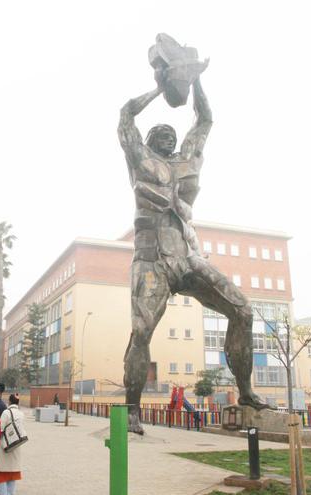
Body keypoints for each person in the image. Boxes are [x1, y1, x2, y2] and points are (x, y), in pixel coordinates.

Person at [118, 74, 269, 434]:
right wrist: (161, 86)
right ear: (150, 141)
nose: (168, 135)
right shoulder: (140, 160)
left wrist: (195, 80)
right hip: (151, 258)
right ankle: (132, 410)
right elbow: (125, 116)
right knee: (141, 331)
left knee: (242, 310)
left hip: (186, 257)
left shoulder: (187, 163)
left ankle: (246, 391)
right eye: (160, 132)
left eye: (172, 132)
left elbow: (205, 120)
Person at [0, 394, 25, 495]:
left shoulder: (6, 413)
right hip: (15, 446)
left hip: (4, 448)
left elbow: (0, 429)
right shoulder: (21, 414)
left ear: (9, 401)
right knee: (12, 477)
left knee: (2, 477)